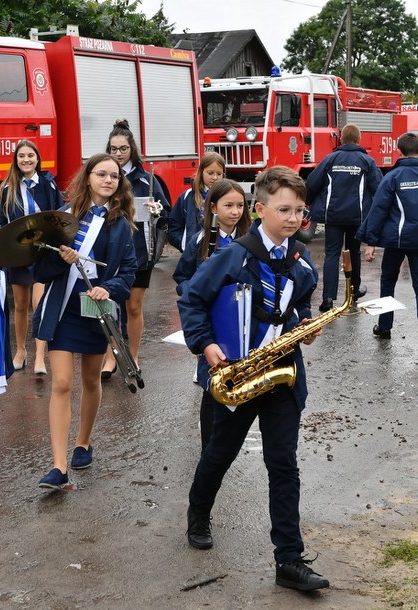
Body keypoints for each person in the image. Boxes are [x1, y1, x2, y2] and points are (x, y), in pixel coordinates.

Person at [179, 166, 329, 592]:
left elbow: (300, 303)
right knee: (218, 455)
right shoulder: (231, 256)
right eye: (284, 209)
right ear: (259, 209)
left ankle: (289, 560)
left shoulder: (301, 261)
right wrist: (205, 345)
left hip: (283, 377)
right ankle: (198, 513)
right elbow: (191, 300)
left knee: (283, 465)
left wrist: (306, 322)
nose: (294, 218)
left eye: (300, 210)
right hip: (238, 376)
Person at [32, 153, 138, 489]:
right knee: (61, 382)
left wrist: (108, 289)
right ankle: (59, 466)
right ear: (87, 177)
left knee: (91, 380)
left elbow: (129, 273)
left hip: (95, 308)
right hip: (62, 309)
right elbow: (40, 270)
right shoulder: (63, 218)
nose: (109, 180)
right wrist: (61, 261)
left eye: (114, 176)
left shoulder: (122, 225)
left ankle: (83, 442)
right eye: (101, 174)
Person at [357, 132, 418, 354]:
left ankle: (384, 327)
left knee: (388, 282)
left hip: (396, 240)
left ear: (398, 151)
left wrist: (370, 241)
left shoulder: (392, 176)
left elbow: (378, 210)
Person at [172, 178, 252, 450]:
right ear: (214, 207)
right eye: (228, 205)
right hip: (209, 315)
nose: (235, 211)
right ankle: (209, 443)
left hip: (237, 316)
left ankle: (232, 435)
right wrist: (191, 289)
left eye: (240, 205)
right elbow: (182, 275)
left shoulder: (250, 241)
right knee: (211, 377)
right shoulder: (201, 239)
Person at [100, 119, 171, 380]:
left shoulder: (146, 179)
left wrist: (157, 210)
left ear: (132, 150)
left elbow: (166, 214)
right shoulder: (102, 176)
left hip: (140, 251)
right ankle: (111, 357)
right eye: (113, 149)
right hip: (108, 252)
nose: (118, 154)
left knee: (133, 307)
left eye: (123, 149)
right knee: (109, 306)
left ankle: (133, 355)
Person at [0, 140, 63, 376]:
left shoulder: (48, 185)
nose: (26, 160)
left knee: (38, 304)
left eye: (30, 156)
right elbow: (0, 223)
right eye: (21, 156)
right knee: (20, 305)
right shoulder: (7, 188)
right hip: (19, 253)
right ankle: (20, 350)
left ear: (37, 159)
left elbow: (59, 216)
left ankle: (40, 356)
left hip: (42, 252)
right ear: (16, 160)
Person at [306, 123, 380, 312]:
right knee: (353, 252)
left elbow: (313, 183)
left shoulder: (330, 159)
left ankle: (328, 298)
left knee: (331, 254)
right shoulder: (367, 161)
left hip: (333, 216)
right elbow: (379, 188)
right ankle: (354, 291)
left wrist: (306, 202)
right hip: (358, 216)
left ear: (341, 139)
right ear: (359, 139)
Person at [167, 152, 226, 252]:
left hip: (222, 253)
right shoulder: (188, 196)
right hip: (194, 255)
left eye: (219, 174)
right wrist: (184, 244)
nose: (215, 177)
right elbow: (174, 226)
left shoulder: (228, 196)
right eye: (210, 173)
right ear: (201, 172)